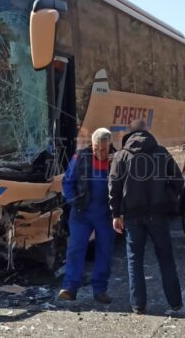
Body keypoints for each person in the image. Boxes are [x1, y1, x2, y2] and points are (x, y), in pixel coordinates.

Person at [109, 129, 184, 315]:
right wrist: (167, 199)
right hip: (158, 215)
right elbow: (178, 181)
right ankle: (175, 303)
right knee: (166, 259)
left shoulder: (122, 156)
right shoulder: (161, 152)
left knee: (134, 260)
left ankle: (138, 306)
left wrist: (116, 215)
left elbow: (114, 187)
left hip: (133, 216)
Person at [58, 128, 115, 304]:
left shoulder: (117, 159)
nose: (99, 152)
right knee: (75, 249)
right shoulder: (81, 157)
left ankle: (100, 290)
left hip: (106, 213)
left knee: (104, 251)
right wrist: (73, 201)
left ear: (110, 145)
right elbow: (67, 182)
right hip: (82, 212)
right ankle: (70, 287)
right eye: (96, 148)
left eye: (103, 149)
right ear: (92, 144)